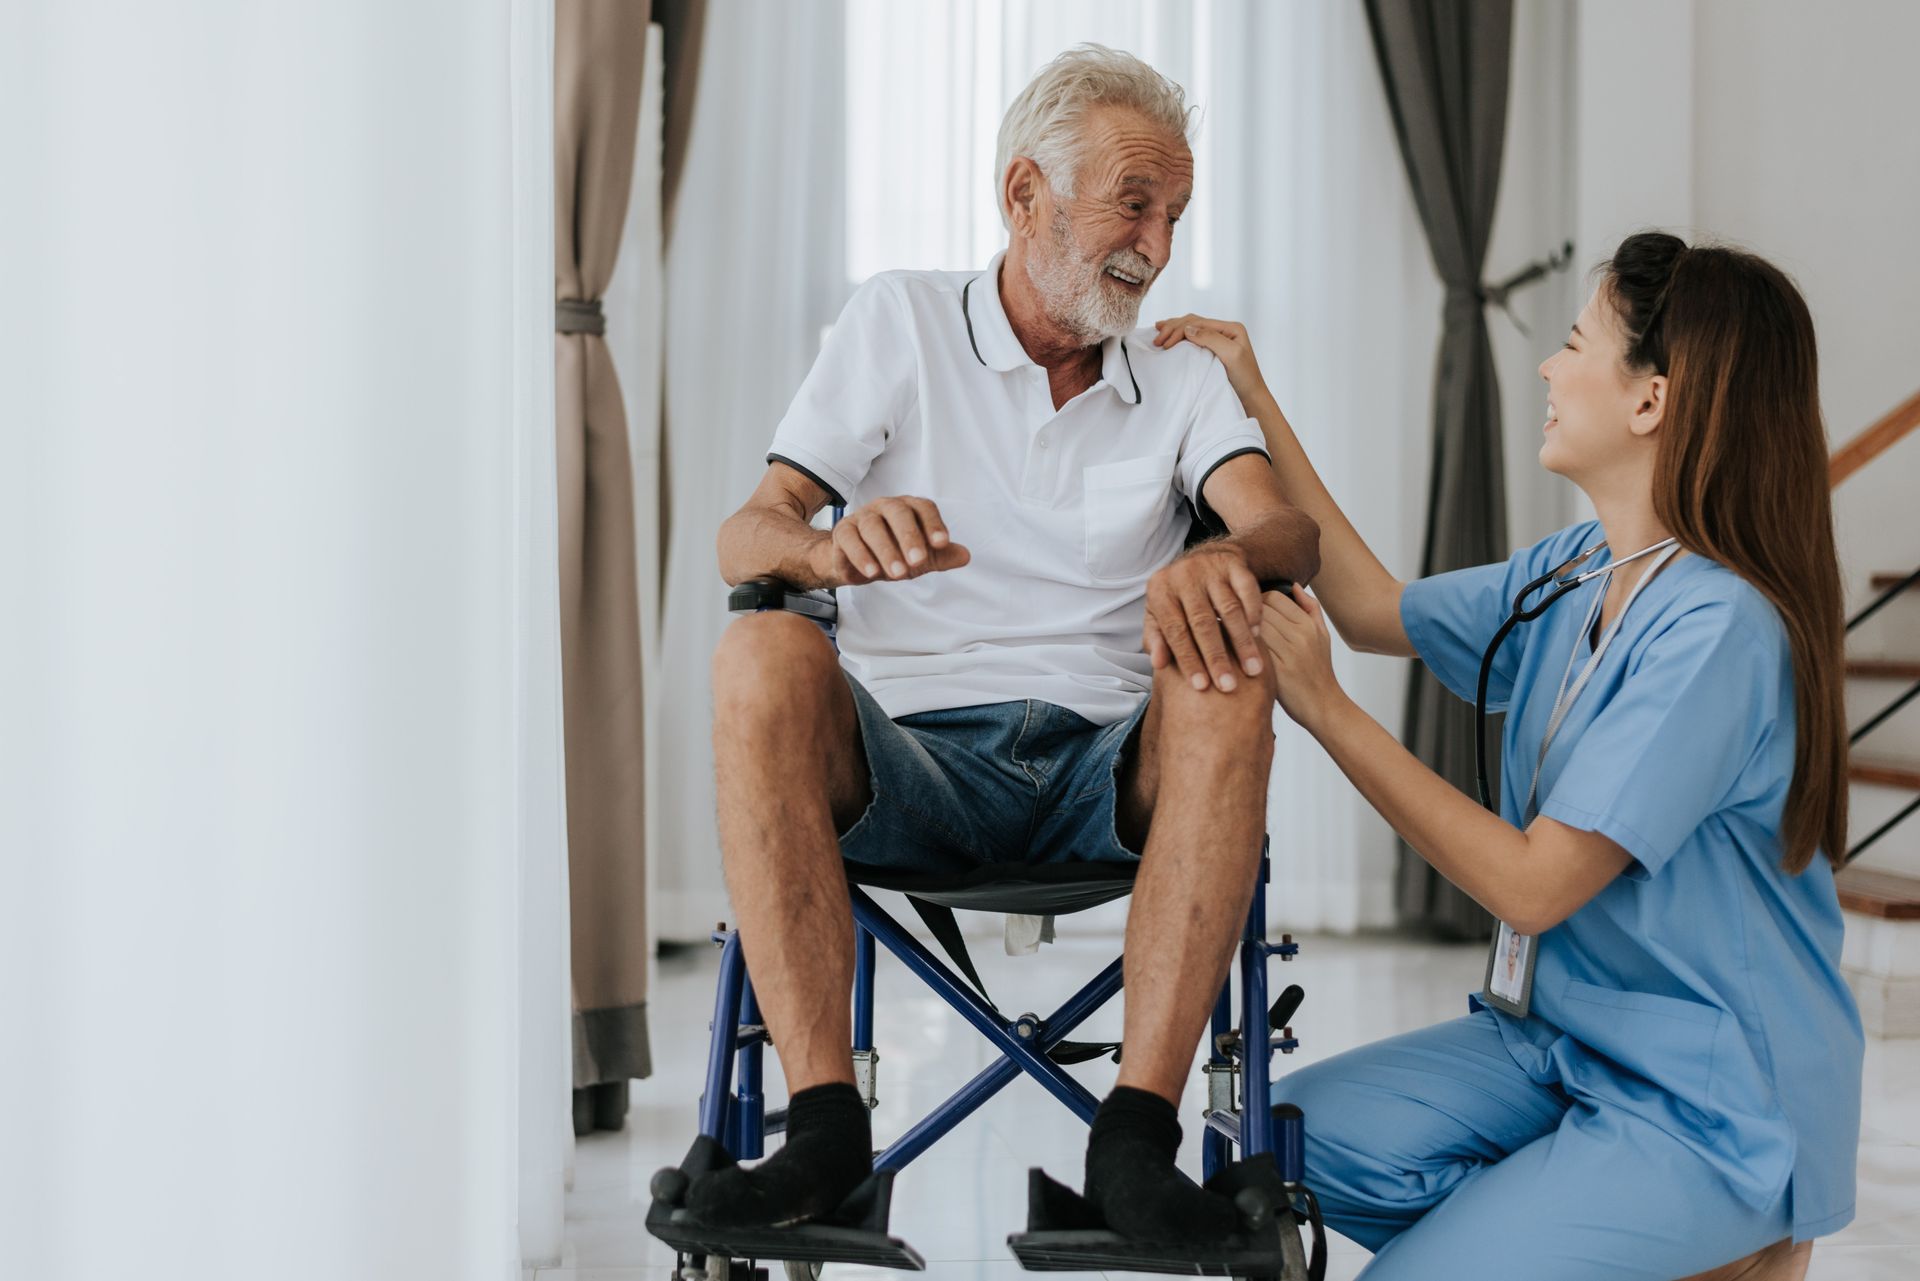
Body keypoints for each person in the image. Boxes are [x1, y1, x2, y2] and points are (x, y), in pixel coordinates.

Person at [692, 45, 1318, 1244]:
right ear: (1025, 195)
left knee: (1230, 670)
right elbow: (746, 534)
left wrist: (1221, 554)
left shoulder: (1177, 377)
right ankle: (823, 1135)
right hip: (912, 769)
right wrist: (825, 551)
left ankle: (1135, 1145)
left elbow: (1285, 530)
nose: (1159, 244)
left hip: (1107, 771)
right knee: (759, 655)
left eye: (1176, 212)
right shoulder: (901, 319)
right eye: (1135, 203)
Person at [1154, 232, 1862, 1279]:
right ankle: (1593, 1231)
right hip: (1555, 1047)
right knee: (1274, 1148)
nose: (1547, 365)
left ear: (1649, 402)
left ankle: (1716, 1231)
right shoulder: (1580, 567)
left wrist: (1332, 715)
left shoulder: (1719, 629)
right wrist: (1253, 400)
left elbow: (1534, 887)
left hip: (1710, 1099)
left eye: (1575, 343)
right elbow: (1369, 609)